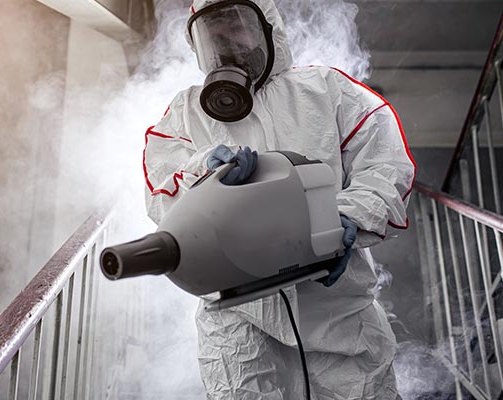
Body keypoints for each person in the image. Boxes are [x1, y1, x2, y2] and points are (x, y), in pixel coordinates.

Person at [142, 0, 416, 399]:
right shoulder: (187, 113)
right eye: (212, 34)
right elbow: (160, 190)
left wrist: (343, 219)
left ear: (268, 28)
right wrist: (203, 172)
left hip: (336, 312)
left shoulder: (326, 89)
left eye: (236, 26)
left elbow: (386, 162)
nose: (225, 42)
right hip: (238, 320)